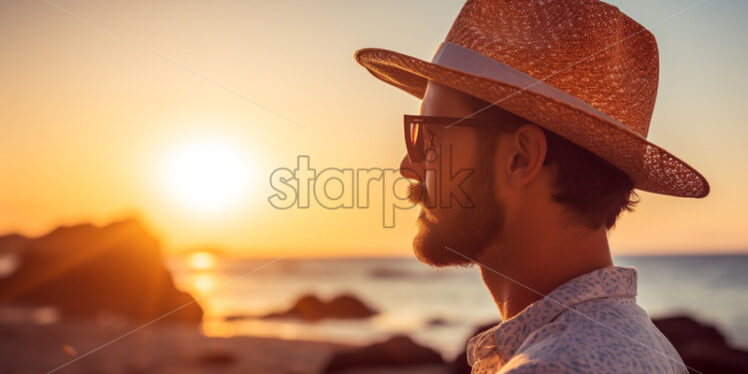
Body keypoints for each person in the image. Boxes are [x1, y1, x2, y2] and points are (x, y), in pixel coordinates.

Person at [354, 0, 709, 373]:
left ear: (520, 158)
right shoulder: (653, 348)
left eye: (430, 139)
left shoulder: (550, 365)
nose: (408, 166)